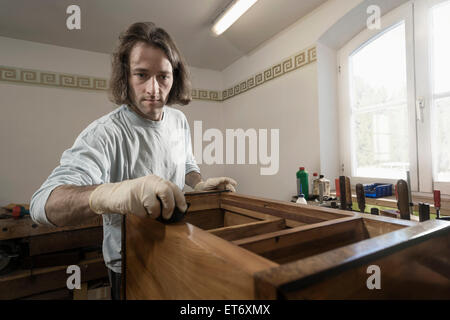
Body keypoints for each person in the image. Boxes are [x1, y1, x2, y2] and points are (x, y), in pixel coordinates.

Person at [30, 22, 237, 300]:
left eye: (163, 76)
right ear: (126, 77)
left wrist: (199, 184)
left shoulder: (178, 120)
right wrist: (112, 193)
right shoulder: (106, 133)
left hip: (176, 247)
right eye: (141, 74)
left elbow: (186, 164)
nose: (154, 89)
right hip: (128, 262)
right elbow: (43, 204)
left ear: (174, 77)